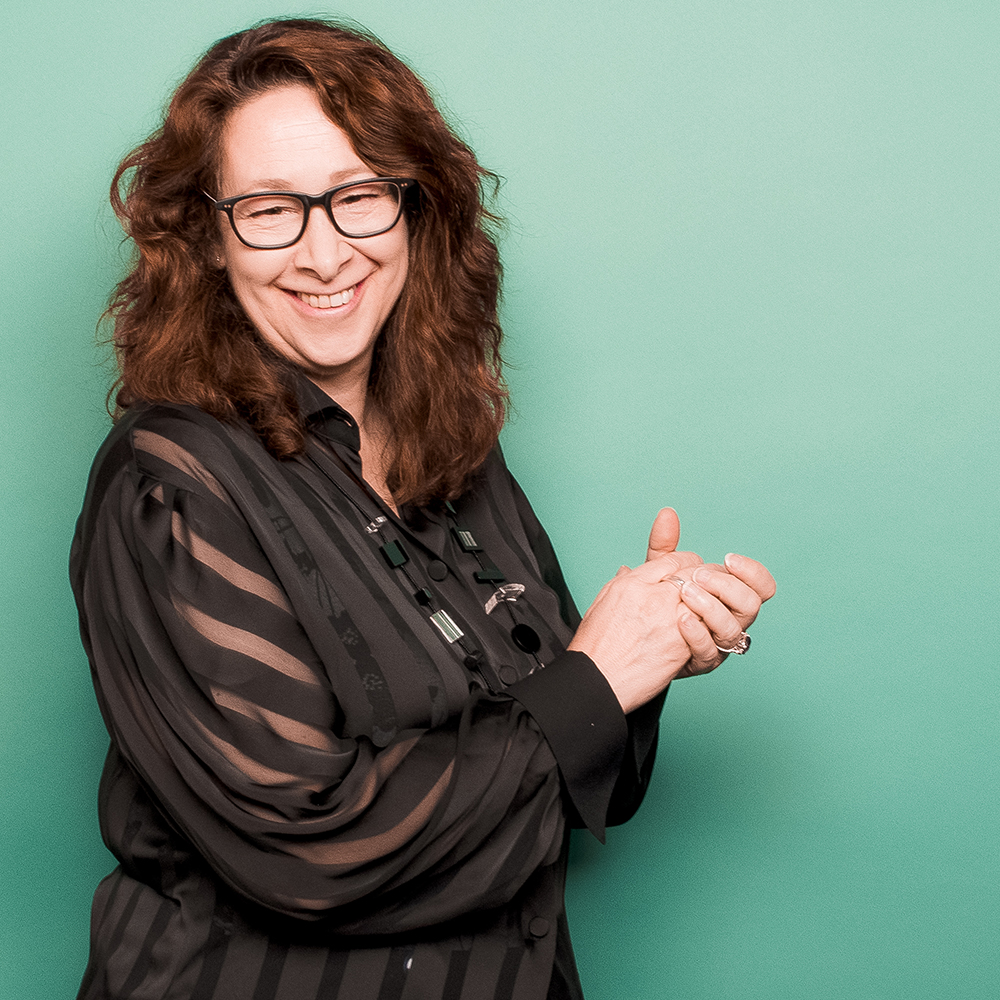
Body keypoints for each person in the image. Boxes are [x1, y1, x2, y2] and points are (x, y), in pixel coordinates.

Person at [70, 17, 775, 1000]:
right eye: (271, 209)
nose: (323, 255)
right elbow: (311, 854)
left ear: (415, 212)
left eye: (357, 197)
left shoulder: (456, 442)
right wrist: (595, 675)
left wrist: (652, 646)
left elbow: (562, 767)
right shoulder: (173, 481)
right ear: (208, 237)